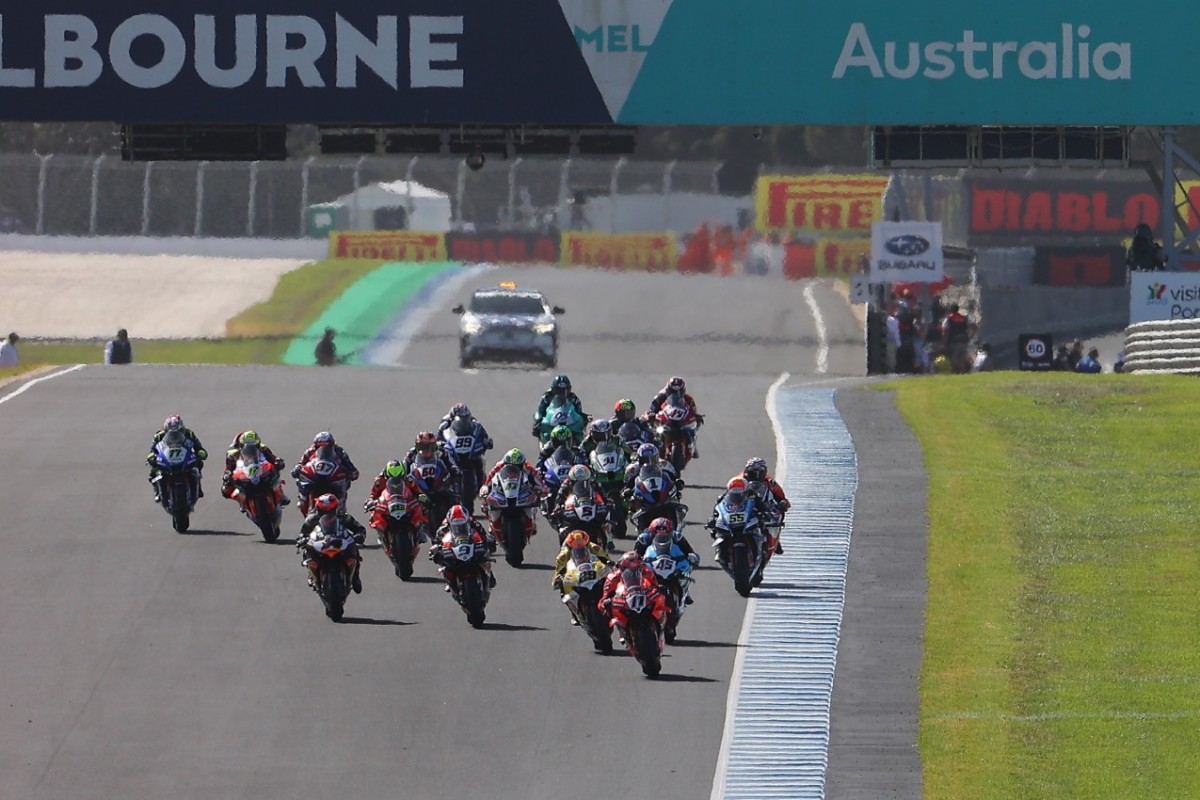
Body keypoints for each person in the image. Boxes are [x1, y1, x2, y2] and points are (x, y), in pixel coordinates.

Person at [297, 493, 362, 594]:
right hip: (321, 544)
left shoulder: (343, 517)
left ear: (335, 508)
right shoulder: (311, 519)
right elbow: (303, 533)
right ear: (318, 508)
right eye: (323, 510)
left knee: (354, 549)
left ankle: (355, 576)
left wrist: (359, 535)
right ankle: (311, 574)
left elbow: (358, 528)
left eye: (330, 510)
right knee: (306, 549)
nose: (326, 513)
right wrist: (302, 539)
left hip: (339, 543)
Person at [429, 505, 497, 590]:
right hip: (454, 547)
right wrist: (435, 550)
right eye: (455, 525)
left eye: (462, 524)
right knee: (443, 561)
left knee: (485, 557)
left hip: (471, 544)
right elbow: (436, 542)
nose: (459, 527)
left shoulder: (474, 523)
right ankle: (449, 581)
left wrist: (489, 541)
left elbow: (484, 536)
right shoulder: (443, 528)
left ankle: (488, 574)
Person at [146, 414, 208, 502]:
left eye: (178, 431)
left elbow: (198, 446)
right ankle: (157, 490)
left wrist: (200, 452)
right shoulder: (159, 436)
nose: (174, 434)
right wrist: (151, 456)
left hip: (183, 455)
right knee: (153, 469)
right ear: (166, 430)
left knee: (198, 463)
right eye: (171, 432)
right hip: (166, 456)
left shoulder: (189, 433)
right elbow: (153, 450)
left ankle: (198, 486)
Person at [436, 403, 494, 490]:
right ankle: (443, 485)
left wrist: (486, 442)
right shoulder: (445, 423)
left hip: (469, 447)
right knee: (442, 462)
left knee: (480, 459)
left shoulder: (475, 423)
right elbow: (439, 437)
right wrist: (439, 443)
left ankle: (482, 486)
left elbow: (483, 434)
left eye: (465, 418)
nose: (463, 421)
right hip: (454, 447)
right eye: (460, 418)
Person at [221, 430, 288, 503]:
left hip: (259, 467)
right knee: (226, 490)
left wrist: (278, 461)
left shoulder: (263, 448)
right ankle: (242, 501)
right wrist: (227, 475)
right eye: (247, 446)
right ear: (241, 445)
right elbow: (228, 468)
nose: (251, 449)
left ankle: (280, 494)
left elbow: (272, 458)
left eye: (254, 446)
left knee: (275, 470)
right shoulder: (232, 453)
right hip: (243, 470)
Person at [646, 376, 704, 458]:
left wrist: (696, 417)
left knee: (692, 429)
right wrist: (651, 415)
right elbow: (652, 409)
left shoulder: (688, 399)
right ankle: (650, 449)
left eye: (679, 392)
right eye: (673, 392)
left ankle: (693, 446)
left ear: (683, 391)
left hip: (681, 421)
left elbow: (693, 411)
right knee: (650, 431)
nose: (676, 395)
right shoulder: (660, 397)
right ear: (668, 390)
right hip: (665, 421)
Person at [742, 457, 790, 554]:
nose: (757, 476)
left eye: (760, 473)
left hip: (766, 509)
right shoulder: (741, 481)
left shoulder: (771, 483)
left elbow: (782, 498)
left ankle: (775, 541)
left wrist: (782, 504)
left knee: (778, 515)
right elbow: (730, 494)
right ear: (747, 472)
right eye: (753, 472)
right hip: (745, 508)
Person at [940, 303, 977, 374]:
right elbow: (975, 327)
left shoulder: (948, 318)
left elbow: (945, 332)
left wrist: (943, 344)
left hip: (953, 343)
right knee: (962, 362)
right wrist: (970, 337)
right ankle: (962, 376)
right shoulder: (964, 318)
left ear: (950, 310)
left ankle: (955, 375)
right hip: (964, 342)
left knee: (953, 362)